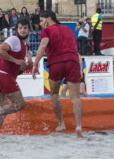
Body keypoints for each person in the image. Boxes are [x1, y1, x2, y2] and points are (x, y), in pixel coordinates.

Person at [32, 10, 83, 138]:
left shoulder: (47, 31)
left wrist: (35, 64)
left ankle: (61, 123)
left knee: (54, 94)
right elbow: (76, 52)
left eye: (42, 20)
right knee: (75, 98)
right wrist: (80, 68)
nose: (41, 24)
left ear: (49, 18)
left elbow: (43, 46)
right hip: (73, 62)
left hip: (56, 63)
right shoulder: (69, 30)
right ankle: (78, 127)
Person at [0, 19, 33, 134]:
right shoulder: (14, 39)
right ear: (17, 29)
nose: (22, 30)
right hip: (2, 74)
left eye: (25, 28)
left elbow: (18, 67)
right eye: (20, 28)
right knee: (19, 104)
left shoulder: (24, 46)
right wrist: (16, 60)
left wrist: (28, 67)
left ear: (29, 30)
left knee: (4, 108)